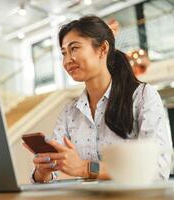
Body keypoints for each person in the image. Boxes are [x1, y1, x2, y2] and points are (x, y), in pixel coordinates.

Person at [28, 15, 172, 183]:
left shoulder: (143, 96)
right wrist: (42, 172)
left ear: (103, 49)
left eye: (74, 48)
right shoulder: (70, 112)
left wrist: (85, 168)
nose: (67, 60)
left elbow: (157, 169)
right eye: (63, 53)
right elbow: (51, 168)